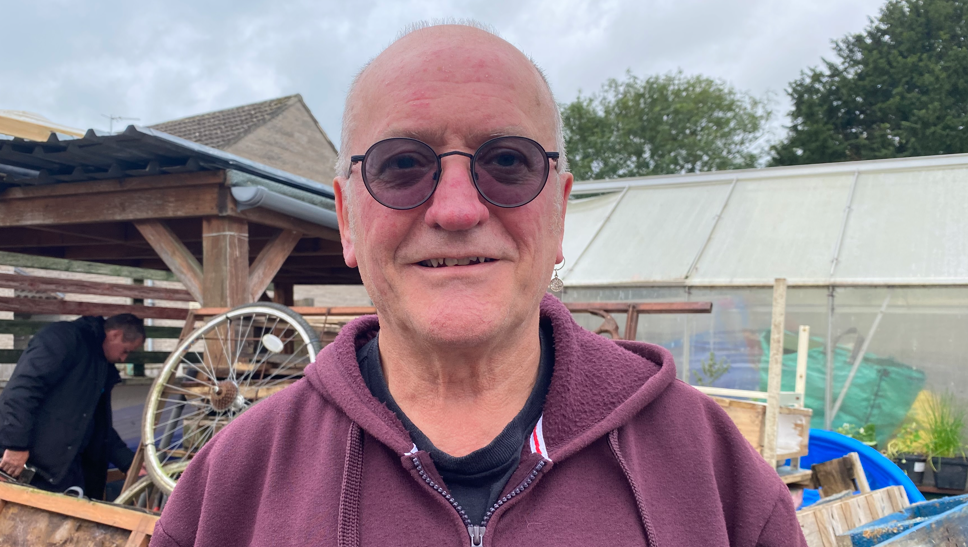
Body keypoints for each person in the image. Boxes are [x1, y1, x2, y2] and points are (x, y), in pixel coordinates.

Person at [153, 23, 806, 546]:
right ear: (348, 216)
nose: (458, 209)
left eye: (507, 162)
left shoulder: (711, 471)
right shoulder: (232, 486)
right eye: (402, 165)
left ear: (557, 214)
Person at [0, 313, 144, 499]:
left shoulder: (99, 365)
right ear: (115, 334)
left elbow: (98, 425)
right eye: (125, 351)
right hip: (29, 465)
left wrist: (129, 463)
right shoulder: (62, 338)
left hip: (63, 471)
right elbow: (23, 390)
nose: (123, 359)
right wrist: (15, 445)